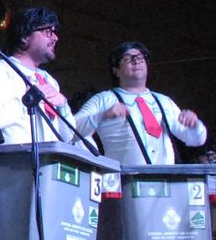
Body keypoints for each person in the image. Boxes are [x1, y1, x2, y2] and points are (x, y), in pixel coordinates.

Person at [75, 42, 207, 164]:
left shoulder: (164, 102)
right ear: (115, 70)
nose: (136, 61)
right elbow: (71, 130)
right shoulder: (104, 99)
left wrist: (194, 126)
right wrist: (102, 115)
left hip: (164, 180)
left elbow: (195, 140)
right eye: (127, 58)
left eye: (140, 57)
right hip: (124, 180)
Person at [0, 7, 78, 144]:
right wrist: (27, 100)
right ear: (25, 36)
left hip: (45, 161)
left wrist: (63, 105)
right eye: (48, 31)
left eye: (54, 33)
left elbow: (67, 137)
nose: (55, 38)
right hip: (14, 163)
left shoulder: (49, 81)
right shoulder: (1, 70)